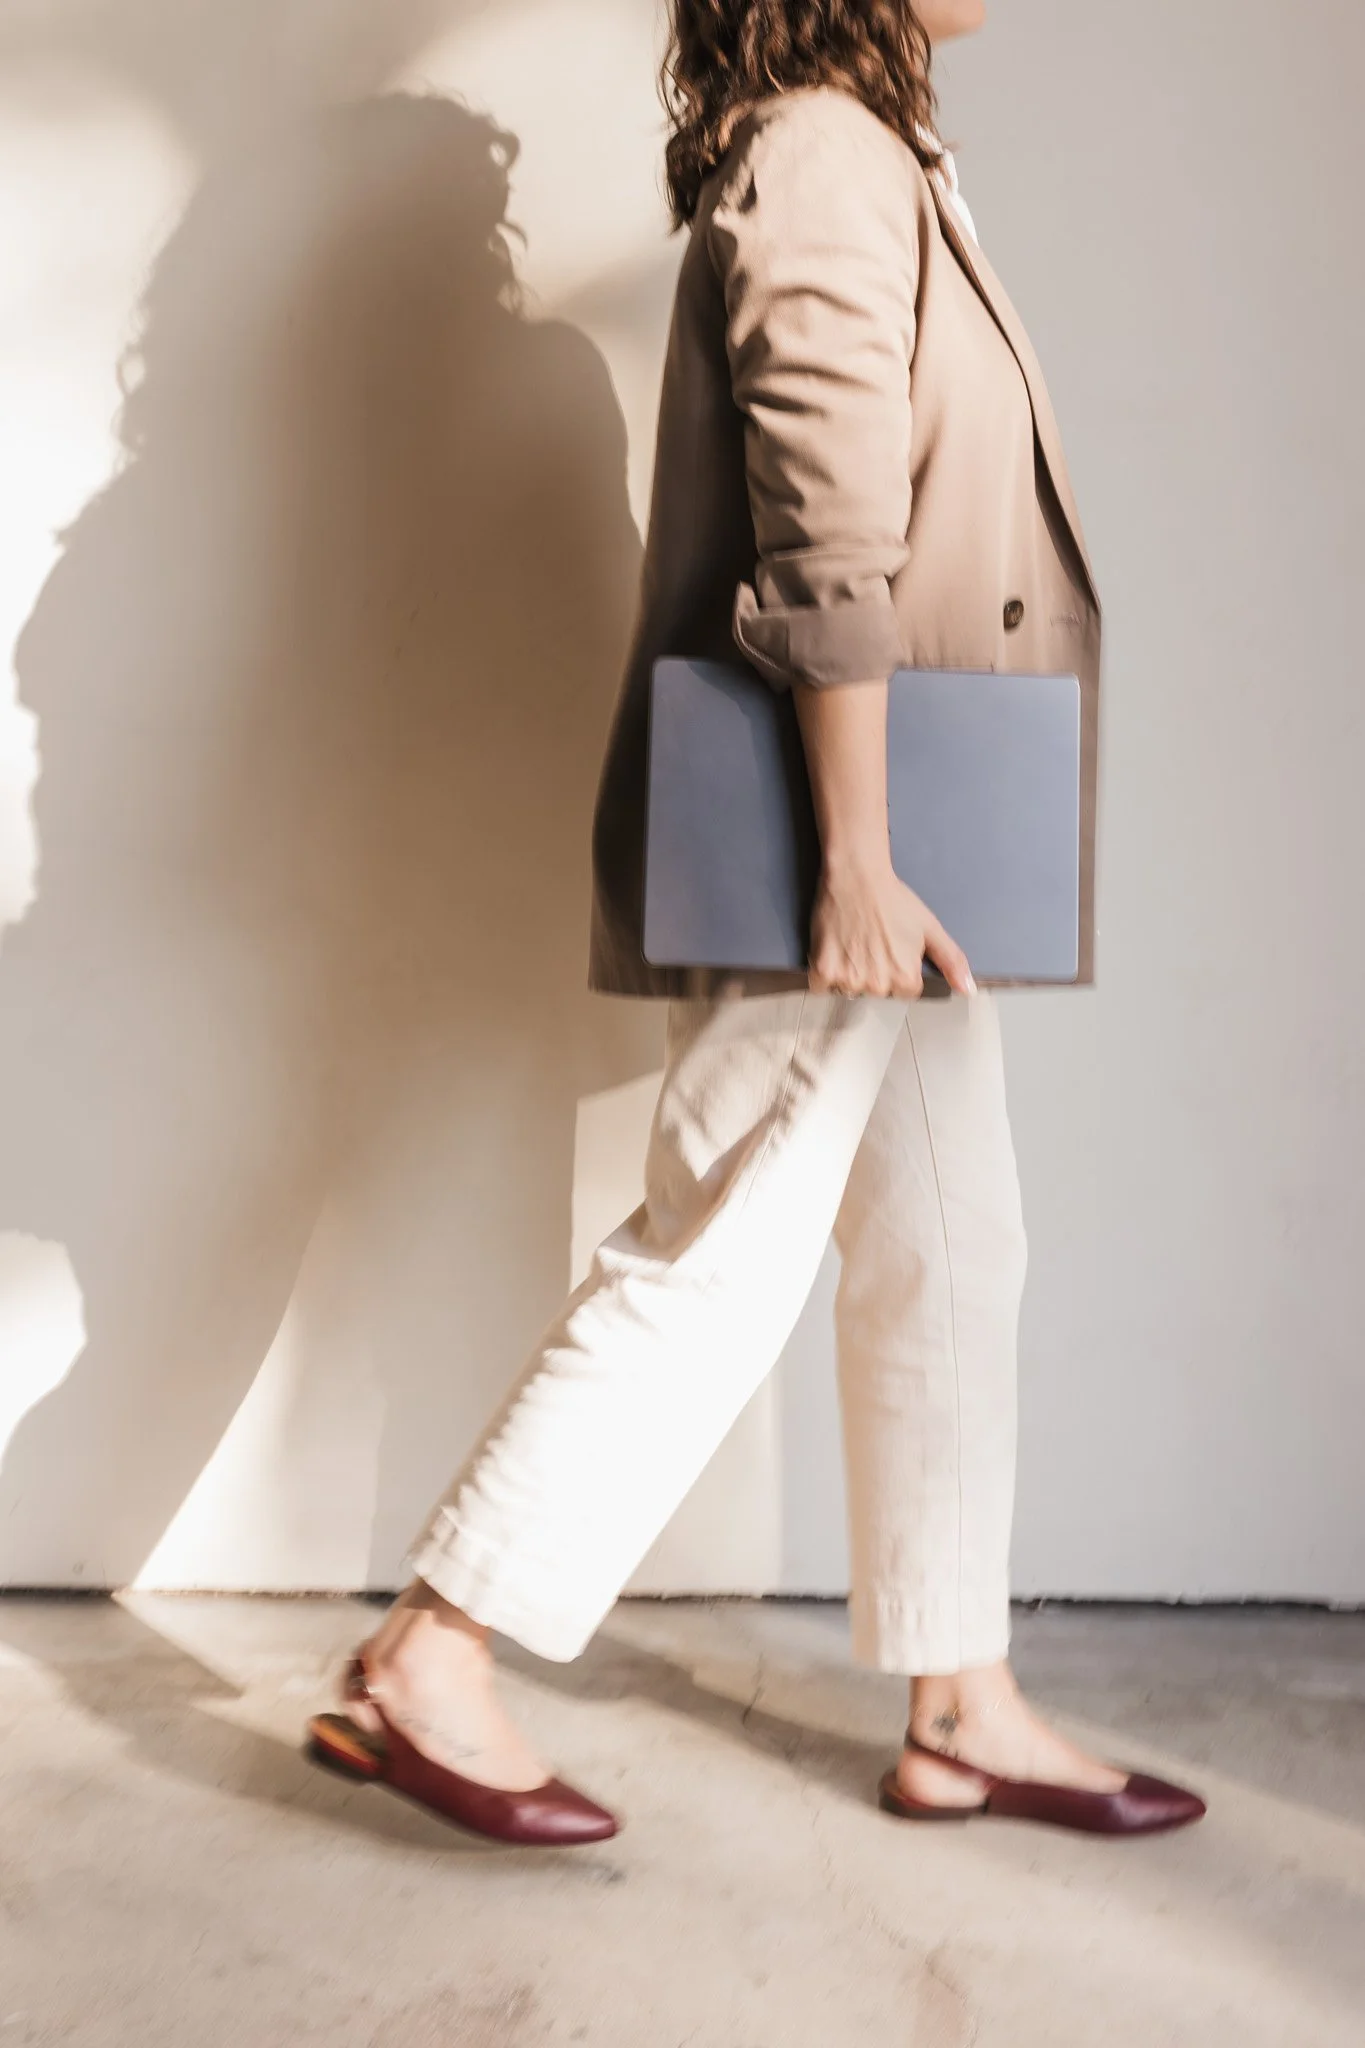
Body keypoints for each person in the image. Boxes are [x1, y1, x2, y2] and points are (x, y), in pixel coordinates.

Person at [307, 0, 1205, 1844]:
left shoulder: (869, 152)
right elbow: (828, 540)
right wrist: (856, 856)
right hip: (846, 831)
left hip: (908, 823)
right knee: (722, 1237)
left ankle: (960, 1700)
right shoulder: (823, 156)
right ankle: (433, 1650)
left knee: (957, 1245)